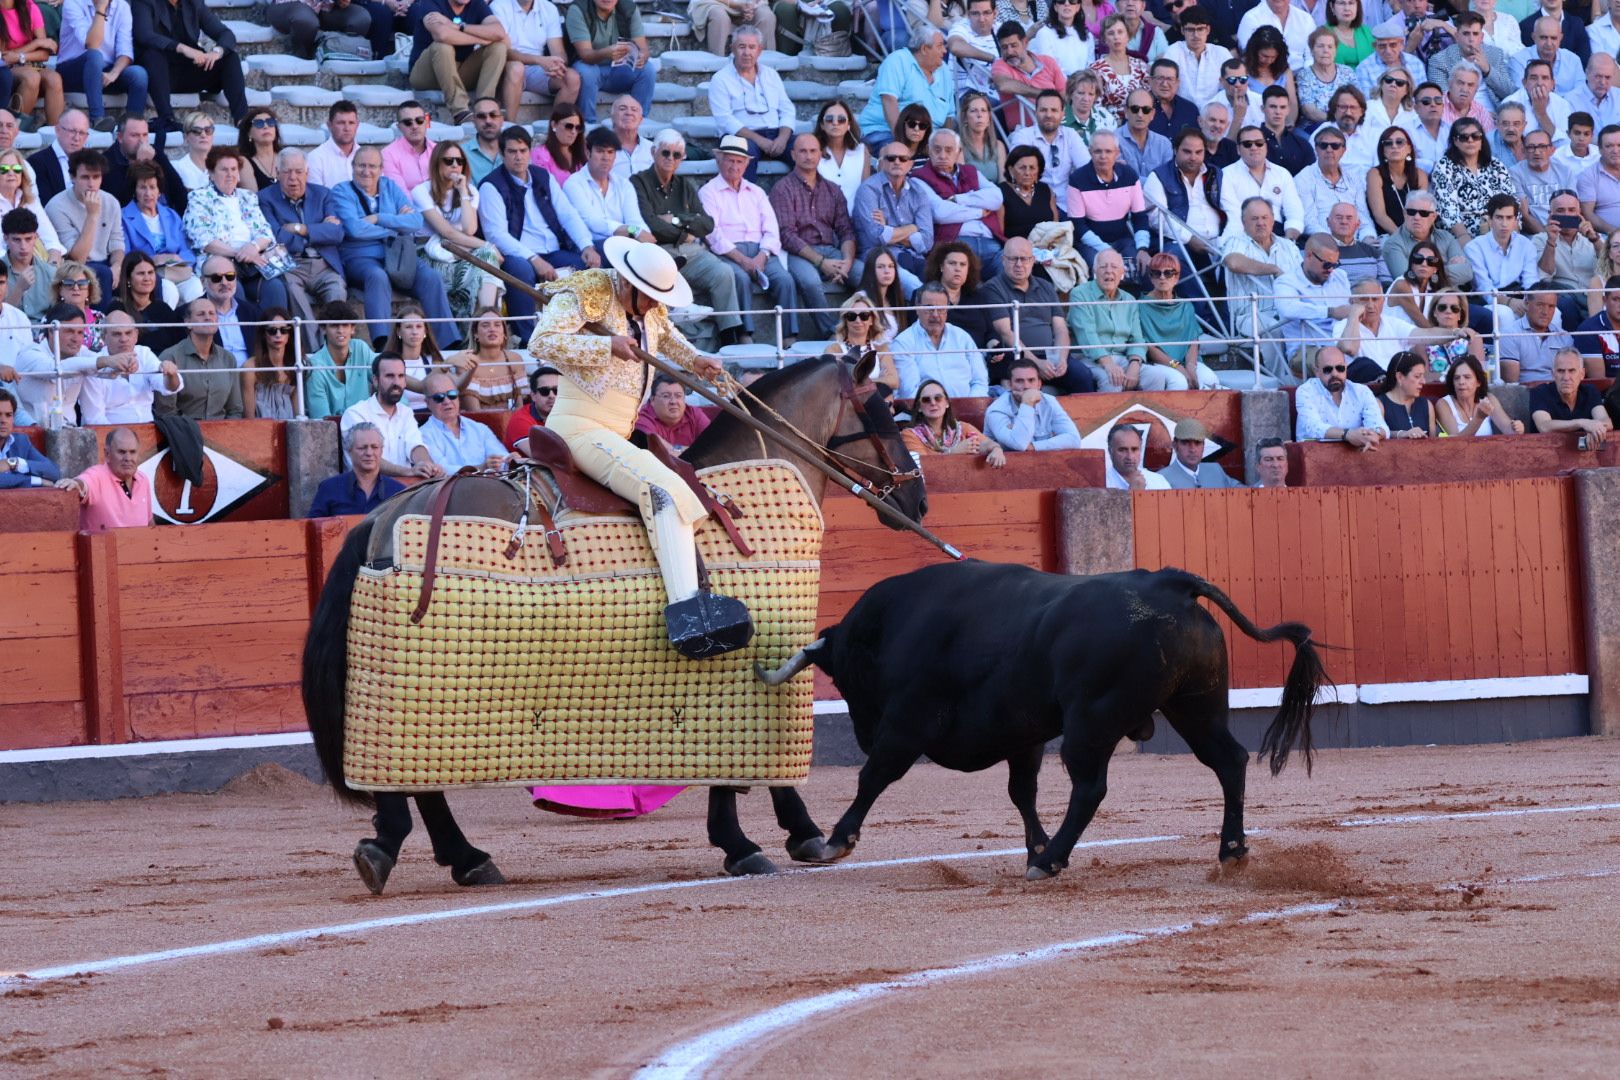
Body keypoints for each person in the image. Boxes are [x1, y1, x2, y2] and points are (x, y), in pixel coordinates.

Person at [529, 236, 753, 655]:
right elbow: (540, 342)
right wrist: (604, 344)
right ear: (628, 283)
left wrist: (698, 361)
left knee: (679, 488)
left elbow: (667, 340)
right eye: (648, 298)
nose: (652, 306)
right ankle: (689, 614)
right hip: (579, 427)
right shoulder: (589, 290)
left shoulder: (650, 307)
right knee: (663, 490)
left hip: (616, 432)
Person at [334, 145, 462, 351]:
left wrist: (379, 218)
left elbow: (415, 222)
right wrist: (395, 226)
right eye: (361, 166)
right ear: (352, 166)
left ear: (381, 169)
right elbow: (355, 229)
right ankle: (382, 344)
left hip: (399, 254)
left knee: (430, 277)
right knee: (377, 276)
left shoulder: (390, 187)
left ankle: (448, 343)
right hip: (360, 257)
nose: (367, 172)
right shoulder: (341, 191)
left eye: (372, 166)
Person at [478, 125, 596, 343]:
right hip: (517, 254)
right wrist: (533, 259)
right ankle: (527, 338)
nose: (518, 157)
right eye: (512, 152)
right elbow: (496, 235)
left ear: (530, 152)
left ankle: (584, 334)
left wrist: (586, 245)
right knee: (520, 270)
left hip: (553, 250)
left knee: (592, 262)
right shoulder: (491, 186)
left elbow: (568, 214)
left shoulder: (543, 177)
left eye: (523, 151)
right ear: (502, 155)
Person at [698, 135, 802, 345]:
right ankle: (746, 334)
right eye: (729, 160)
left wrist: (762, 255)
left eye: (739, 161)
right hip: (729, 252)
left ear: (746, 164)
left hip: (760, 251)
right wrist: (743, 260)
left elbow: (771, 228)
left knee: (785, 280)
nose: (734, 166)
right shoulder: (708, 192)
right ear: (720, 160)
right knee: (741, 278)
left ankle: (789, 337)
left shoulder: (756, 192)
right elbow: (712, 233)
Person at [765, 131, 857, 341]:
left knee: (864, 273)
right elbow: (786, 235)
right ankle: (832, 333)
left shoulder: (833, 190)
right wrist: (821, 262)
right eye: (803, 151)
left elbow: (846, 229)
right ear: (793, 155)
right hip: (799, 253)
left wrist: (848, 262)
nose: (808, 156)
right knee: (810, 281)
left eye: (813, 151)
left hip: (831, 250)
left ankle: (870, 329)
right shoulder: (782, 189)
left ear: (821, 154)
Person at [256, 148, 349, 355]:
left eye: (299, 172)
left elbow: (337, 233)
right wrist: (318, 231)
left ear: (307, 172)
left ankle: (337, 349)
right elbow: (274, 235)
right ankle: (317, 354)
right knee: (293, 293)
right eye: (287, 172)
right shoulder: (264, 198)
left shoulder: (323, 194)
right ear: (277, 173)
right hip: (291, 264)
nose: (293, 178)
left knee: (337, 290)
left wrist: (300, 229)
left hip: (324, 265)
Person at [129, 0, 247, 145]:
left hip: (188, 71)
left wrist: (217, 52)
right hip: (158, 76)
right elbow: (143, 35)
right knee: (153, 55)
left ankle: (243, 120)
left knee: (230, 57)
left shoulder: (194, 3)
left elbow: (225, 33)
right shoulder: (144, 2)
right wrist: (181, 47)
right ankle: (167, 118)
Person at [1221, 196, 1302, 381]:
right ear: (1243, 222)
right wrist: (1272, 269)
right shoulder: (1236, 242)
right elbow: (1233, 262)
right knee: (1271, 328)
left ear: (1273, 219)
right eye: (1254, 219)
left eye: (1265, 218)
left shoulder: (1288, 246)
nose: (1261, 223)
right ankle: (1283, 382)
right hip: (1249, 315)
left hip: (1287, 311)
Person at [183, 147, 276, 303]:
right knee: (232, 288)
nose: (230, 174)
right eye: (224, 170)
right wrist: (240, 253)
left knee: (275, 288)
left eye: (233, 169)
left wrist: (253, 247)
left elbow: (266, 233)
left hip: (252, 263)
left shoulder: (248, 197)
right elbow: (204, 240)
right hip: (219, 263)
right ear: (211, 174)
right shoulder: (199, 198)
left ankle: (272, 328)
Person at [983, 236, 1078, 389]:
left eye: (1024, 259)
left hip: (1051, 356)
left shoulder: (1046, 286)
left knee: (1082, 376)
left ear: (1033, 260)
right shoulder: (993, 288)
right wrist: (1036, 362)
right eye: (1013, 259)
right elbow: (1006, 332)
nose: (1019, 264)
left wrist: (1061, 358)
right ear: (1003, 260)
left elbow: (1060, 329)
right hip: (1017, 357)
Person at [707, 25, 795, 184]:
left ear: (760, 50)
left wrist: (782, 138)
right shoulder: (720, 79)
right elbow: (725, 120)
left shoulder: (771, 74)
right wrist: (760, 141)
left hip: (775, 135)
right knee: (741, 153)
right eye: (742, 47)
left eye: (752, 47)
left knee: (806, 149)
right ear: (732, 48)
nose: (747, 52)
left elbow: (787, 109)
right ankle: (746, 203)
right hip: (741, 137)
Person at [914, 128, 1005, 282]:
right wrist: (979, 212)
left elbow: (996, 198)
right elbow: (940, 213)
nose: (943, 155)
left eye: (949, 150)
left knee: (1012, 271)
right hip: (956, 244)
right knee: (972, 287)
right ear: (929, 150)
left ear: (958, 152)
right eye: (937, 149)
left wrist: (958, 199)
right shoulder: (919, 178)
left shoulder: (970, 171)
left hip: (991, 244)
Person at [12, 301, 119, 423]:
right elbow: (55, 370)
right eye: (69, 331)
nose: (76, 339)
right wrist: (105, 360)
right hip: (30, 432)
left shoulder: (81, 352)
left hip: (70, 433)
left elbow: (106, 371)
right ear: (52, 331)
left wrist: (123, 365)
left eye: (80, 332)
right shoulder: (30, 353)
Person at [339, 355, 445, 477]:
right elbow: (367, 459)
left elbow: (415, 445)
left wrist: (427, 465)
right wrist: (408, 472)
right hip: (367, 490)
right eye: (389, 376)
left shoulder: (406, 412)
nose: (396, 382)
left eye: (401, 376)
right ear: (375, 380)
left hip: (405, 489)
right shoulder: (355, 413)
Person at [409, 0, 508, 127]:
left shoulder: (476, 4)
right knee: (442, 46)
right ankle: (461, 112)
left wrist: (458, 26)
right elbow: (442, 34)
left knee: (498, 47)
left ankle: (484, 107)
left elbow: (499, 32)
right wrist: (482, 40)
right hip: (426, 74)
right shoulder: (431, 3)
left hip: (459, 70)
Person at [852, 139, 935, 291]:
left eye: (903, 158)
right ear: (882, 163)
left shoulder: (918, 192)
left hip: (913, 257)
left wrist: (889, 228)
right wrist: (913, 227)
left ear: (910, 164)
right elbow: (877, 236)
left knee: (937, 283)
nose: (897, 162)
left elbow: (926, 243)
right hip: (877, 258)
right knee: (917, 288)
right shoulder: (868, 190)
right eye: (891, 158)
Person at [46, 148, 125, 304]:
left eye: (96, 177)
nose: (91, 184)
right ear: (72, 177)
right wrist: (92, 215)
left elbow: (117, 242)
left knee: (144, 273)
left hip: (106, 261)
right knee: (102, 273)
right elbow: (77, 258)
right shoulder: (56, 206)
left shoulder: (111, 202)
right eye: (85, 177)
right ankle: (99, 325)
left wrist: (117, 266)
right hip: (72, 266)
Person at [1067, 129, 1151, 275]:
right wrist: (1107, 250)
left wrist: (1142, 248)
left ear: (1117, 153)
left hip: (1122, 240)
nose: (1103, 156)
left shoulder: (1129, 175)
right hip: (1089, 244)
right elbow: (1078, 226)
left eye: (1108, 151)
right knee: (1103, 270)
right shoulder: (1077, 179)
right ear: (1090, 152)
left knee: (1141, 267)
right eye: (1098, 151)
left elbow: (1140, 217)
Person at [858, 27, 955, 151]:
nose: (945, 51)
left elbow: (949, 116)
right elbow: (889, 101)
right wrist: (905, 144)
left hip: (927, 139)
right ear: (924, 49)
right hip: (886, 131)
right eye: (940, 46)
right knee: (899, 157)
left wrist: (947, 144)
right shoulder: (897, 61)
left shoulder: (944, 70)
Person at [77, 308, 181, 423]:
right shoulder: (94, 364)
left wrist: (171, 375)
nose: (124, 339)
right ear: (104, 337)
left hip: (149, 431)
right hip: (110, 435)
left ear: (136, 335)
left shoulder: (144, 354)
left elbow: (169, 387)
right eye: (117, 334)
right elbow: (94, 419)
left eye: (128, 333)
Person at [58, 0, 148, 130]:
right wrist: (100, 9)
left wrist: (114, 73)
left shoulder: (122, 7)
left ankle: (132, 127)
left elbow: (125, 51)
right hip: (73, 71)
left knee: (138, 74)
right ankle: (98, 119)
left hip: (104, 74)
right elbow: (92, 44)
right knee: (95, 56)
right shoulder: (73, 3)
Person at [893, 282, 990, 401]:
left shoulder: (961, 337)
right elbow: (909, 392)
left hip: (967, 410)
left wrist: (969, 405)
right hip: (924, 412)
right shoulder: (903, 343)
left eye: (941, 309)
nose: (935, 315)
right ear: (917, 307)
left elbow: (980, 381)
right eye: (929, 308)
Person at [566, 0, 655, 126]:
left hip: (619, 69)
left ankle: (639, 121)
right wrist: (604, 53)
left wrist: (642, 56)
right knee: (587, 71)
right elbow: (585, 54)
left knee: (647, 70)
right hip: (590, 67)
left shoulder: (629, 8)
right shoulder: (578, 9)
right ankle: (588, 124)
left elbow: (643, 48)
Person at [1430, 117, 1518, 243]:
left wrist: (1514, 233)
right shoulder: (1444, 166)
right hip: (1460, 233)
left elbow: (1512, 200)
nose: (1470, 140)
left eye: (1475, 136)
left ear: (1481, 140)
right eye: (1464, 137)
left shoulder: (1496, 165)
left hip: (1498, 228)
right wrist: (1464, 237)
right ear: (1455, 141)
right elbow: (1447, 208)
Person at [152, 295, 242, 418]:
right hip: (184, 432)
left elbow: (235, 409)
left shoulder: (228, 359)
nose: (208, 318)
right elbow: (167, 412)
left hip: (223, 432)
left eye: (212, 313)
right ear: (188, 323)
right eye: (201, 314)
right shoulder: (170, 357)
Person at [492, 0, 579, 120]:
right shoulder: (499, 5)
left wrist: (558, 64)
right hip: (507, 66)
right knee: (516, 68)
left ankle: (554, 129)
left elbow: (558, 51)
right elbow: (504, 52)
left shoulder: (548, 8)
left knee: (572, 78)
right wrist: (539, 60)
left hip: (536, 69)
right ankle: (510, 127)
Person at [1140, 253, 1217, 388]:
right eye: (1156, 273)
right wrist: (1178, 367)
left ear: (1176, 277)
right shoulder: (1141, 306)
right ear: (1151, 277)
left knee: (1210, 379)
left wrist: (1191, 367)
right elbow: (1149, 347)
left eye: (1168, 273)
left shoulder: (1185, 306)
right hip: (1159, 363)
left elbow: (1192, 340)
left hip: (1187, 361)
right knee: (1179, 382)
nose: (1162, 277)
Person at [54, 427, 150, 529]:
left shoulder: (143, 480)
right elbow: (83, 484)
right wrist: (75, 484)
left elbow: (149, 523)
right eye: (122, 452)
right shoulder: (97, 476)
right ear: (107, 454)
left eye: (132, 452)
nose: (128, 458)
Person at [420, 370, 519, 469]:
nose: (447, 401)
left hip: (489, 482)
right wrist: (480, 468)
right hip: (451, 484)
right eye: (439, 397)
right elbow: (442, 470)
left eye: (452, 395)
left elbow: (501, 459)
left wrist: (510, 461)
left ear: (458, 397)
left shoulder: (480, 429)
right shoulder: (423, 435)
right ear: (427, 403)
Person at [1465, 194, 1538, 325]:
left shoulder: (1526, 244)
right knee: (1505, 314)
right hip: (1489, 301)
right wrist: (1509, 302)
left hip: (1521, 296)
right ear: (1490, 220)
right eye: (1499, 217)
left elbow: (1531, 281)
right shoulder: (1474, 248)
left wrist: (1530, 302)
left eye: (1509, 218)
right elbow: (1484, 289)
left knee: (1553, 313)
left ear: (1515, 220)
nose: (1504, 223)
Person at [1532, 189, 1599, 331]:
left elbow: (1611, 265)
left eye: (1572, 210)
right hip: (1565, 298)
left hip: (1593, 297)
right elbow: (1544, 275)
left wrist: (1594, 239)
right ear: (1551, 214)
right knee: (1564, 305)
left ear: (1579, 213)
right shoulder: (1539, 239)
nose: (1567, 215)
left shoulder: (1594, 239)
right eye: (1560, 211)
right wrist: (1551, 241)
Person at [987, 357, 1086, 453]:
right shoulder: (997, 410)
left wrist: (1034, 447)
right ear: (1009, 385)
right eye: (1019, 381)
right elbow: (1019, 444)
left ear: (1039, 384)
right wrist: (1027, 403)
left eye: (1031, 380)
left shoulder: (1049, 401)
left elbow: (1074, 439)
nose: (1026, 386)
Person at [1294, 344, 1388, 444]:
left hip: (1354, 454)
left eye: (1340, 368)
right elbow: (1313, 427)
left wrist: (1375, 435)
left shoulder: (1361, 391)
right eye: (1327, 369)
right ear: (1316, 371)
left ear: (1346, 368)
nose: (1335, 374)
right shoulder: (1306, 391)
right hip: (1313, 454)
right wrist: (1347, 434)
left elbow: (1378, 424)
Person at [901, 376, 1005, 466]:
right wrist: (954, 452)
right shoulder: (909, 435)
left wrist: (996, 449)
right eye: (926, 400)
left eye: (938, 398)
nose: (933, 403)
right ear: (919, 407)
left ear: (947, 403)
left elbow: (986, 444)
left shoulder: (963, 428)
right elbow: (921, 466)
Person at [308, 421, 405, 517]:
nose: (369, 453)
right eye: (362, 448)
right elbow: (310, 528)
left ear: (381, 451)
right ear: (349, 451)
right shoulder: (329, 488)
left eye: (374, 447)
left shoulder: (398, 492)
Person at [1426, 11, 1513, 110]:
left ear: (1481, 37)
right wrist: (1481, 114)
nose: (1471, 39)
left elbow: (1509, 92)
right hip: (1459, 116)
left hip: (1496, 115)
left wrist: (1488, 70)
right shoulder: (1439, 61)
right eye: (1466, 33)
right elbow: (1444, 100)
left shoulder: (1495, 54)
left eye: (1475, 34)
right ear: (1457, 36)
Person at [991, 19, 1066, 130]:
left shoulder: (1048, 62)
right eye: (1004, 47)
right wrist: (1042, 95)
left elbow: (1064, 96)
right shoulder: (1001, 64)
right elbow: (1003, 85)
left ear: (1025, 43)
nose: (1009, 52)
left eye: (1014, 45)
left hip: (1056, 126)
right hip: (1023, 132)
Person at [1009, 89, 1089, 194]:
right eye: (1043, 110)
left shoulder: (1070, 134)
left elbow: (1086, 168)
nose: (1048, 115)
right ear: (1036, 112)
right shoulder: (1024, 136)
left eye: (1054, 110)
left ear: (1062, 114)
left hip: (1068, 201)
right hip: (1035, 200)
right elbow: (1020, 174)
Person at [0, 0, 64, 129]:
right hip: (5, 68)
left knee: (54, 79)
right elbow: (4, 57)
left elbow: (44, 53)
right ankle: (16, 130)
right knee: (32, 78)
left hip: (28, 63)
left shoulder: (30, 7)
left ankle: (56, 134)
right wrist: (35, 44)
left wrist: (19, 56)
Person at [1337, 278, 1415, 381]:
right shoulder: (1343, 325)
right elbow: (1349, 348)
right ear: (1352, 301)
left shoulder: (1393, 323)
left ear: (1383, 301)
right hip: (1365, 386)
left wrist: (1444, 330)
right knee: (1364, 364)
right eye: (1364, 299)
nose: (1370, 305)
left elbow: (1424, 336)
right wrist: (1354, 314)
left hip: (1396, 384)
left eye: (1375, 299)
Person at [1500, 282, 1576, 384]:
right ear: (1526, 304)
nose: (1545, 312)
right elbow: (1512, 383)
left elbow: (1569, 377)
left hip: (1557, 394)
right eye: (1540, 305)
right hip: (1525, 395)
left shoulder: (1564, 336)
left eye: (1551, 306)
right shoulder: (1509, 334)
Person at [1528, 346, 1612, 439]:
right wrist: (1582, 423)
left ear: (1582, 374)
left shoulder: (1589, 391)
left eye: (1572, 371)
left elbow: (1607, 422)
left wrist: (1594, 430)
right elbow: (1544, 426)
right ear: (1553, 374)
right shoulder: (1540, 392)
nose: (1566, 377)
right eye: (1560, 371)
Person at [827, 290, 898, 390]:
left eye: (864, 316)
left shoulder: (881, 349)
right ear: (845, 321)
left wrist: (856, 381)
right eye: (851, 316)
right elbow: (831, 382)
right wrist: (879, 379)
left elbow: (894, 381)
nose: (858, 321)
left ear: (871, 320)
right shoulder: (834, 350)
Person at [1436, 353, 1520, 435]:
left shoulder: (1489, 399)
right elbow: (1456, 442)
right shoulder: (1443, 404)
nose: (1461, 382)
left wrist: (1517, 428)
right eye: (1456, 378)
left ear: (1478, 382)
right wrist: (1479, 418)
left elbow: (1508, 429)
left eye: (1467, 377)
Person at [1164, 6, 1232, 108]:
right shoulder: (1173, 51)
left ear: (1208, 30)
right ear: (1182, 30)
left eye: (1200, 29)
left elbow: (1234, 84)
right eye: (1190, 30)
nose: (1196, 35)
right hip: (1181, 112)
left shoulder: (1221, 53)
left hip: (1216, 114)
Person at [817, 99, 872, 212]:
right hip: (823, 220)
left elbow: (865, 192)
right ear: (822, 125)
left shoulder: (862, 151)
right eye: (829, 119)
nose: (835, 123)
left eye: (841, 119)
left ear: (848, 125)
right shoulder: (813, 151)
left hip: (855, 219)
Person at [267, 0, 371, 59]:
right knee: (305, 21)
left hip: (325, 7)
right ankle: (304, 60)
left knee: (360, 18)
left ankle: (342, 58)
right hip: (292, 4)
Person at [240, 308, 295, 420]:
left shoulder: (296, 365)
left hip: (290, 429)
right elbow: (249, 417)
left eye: (284, 330)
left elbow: (299, 413)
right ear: (264, 334)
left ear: (289, 334)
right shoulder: (250, 367)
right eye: (272, 330)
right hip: (260, 431)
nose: (278, 335)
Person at [1157, 417, 1242, 487]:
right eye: (1186, 443)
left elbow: (1247, 493)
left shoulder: (1215, 470)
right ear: (1175, 445)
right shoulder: (1161, 478)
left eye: (1197, 443)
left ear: (1203, 445)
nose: (1192, 449)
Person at [0, 387, 59, 487]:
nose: (3, 420)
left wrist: (15, 463)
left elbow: (53, 471)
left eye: (8, 415)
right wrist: (35, 480)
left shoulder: (20, 441)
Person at [1090, 14, 1149, 111]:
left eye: (1120, 32)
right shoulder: (1095, 69)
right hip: (1108, 123)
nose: (1116, 37)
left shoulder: (1140, 65)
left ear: (1128, 36)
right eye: (1111, 33)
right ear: (1104, 39)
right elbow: (1095, 106)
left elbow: (1148, 98)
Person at [380, 100, 436, 196]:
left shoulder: (438, 150)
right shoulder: (388, 154)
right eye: (407, 122)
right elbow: (400, 195)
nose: (414, 126)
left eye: (419, 121)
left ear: (426, 122)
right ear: (399, 127)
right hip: (409, 209)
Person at [1116, 87, 1173, 177]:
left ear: (1152, 114)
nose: (1140, 114)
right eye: (1135, 109)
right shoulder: (1113, 141)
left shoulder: (1164, 144)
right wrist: (1153, 183)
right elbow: (1121, 179)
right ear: (1126, 111)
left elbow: (1168, 179)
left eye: (1146, 109)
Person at [305, 100, 361, 193]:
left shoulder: (367, 156)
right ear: (329, 125)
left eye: (351, 123)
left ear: (357, 125)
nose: (347, 128)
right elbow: (317, 199)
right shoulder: (315, 158)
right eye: (341, 123)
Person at [1032, 0, 1096, 80]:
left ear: (1078, 7)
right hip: (1056, 86)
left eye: (1072, 1)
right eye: (1061, 1)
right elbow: (1049, 67)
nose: (1067, 4)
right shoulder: (1044, 33)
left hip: (1083, 86)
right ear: (1055, 7)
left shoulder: (1088, 36)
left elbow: (1090, 66)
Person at [949, 0, 999, 95]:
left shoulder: (1000, 29)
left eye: (986, 13)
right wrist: (993, 59)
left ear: (995, 13)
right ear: (968, 14)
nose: (981, 19)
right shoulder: (962, 27)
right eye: (975, 13)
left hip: (998, 93)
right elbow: (955, 47)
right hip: (967, 95)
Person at [1578, 123, 1620, 236]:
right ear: (1600, 149)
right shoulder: (1588, 175)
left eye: (1619, 145)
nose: (1615, 150)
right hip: (1607, 237)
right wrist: (1615, 233)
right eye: (1609, 146)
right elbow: (1588, 214)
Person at [1574, 275, 1620, 377]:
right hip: (1607, 392)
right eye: (1616, 299)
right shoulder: (1588, 330)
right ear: (1604, 300)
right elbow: (1599, 381)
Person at [505, 364, 559, 448]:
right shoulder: (520, 419)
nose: (551, 396)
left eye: (557, 390)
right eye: (544, 391)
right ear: (533, 396)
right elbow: (542, 455)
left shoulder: (572, 414)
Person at [1102, 421, 1168, 488]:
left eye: (1134, 449)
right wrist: (1133, 493)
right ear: (1110, 451)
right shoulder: (1100, 484)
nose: (1129, 457)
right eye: (1122, 450)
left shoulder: (1158, 481)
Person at [533, 103, 585, 187]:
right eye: (569, 126)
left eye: (578, 127)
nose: (573, 131)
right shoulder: (541, 155)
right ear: (554, 125)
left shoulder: (584, 152)